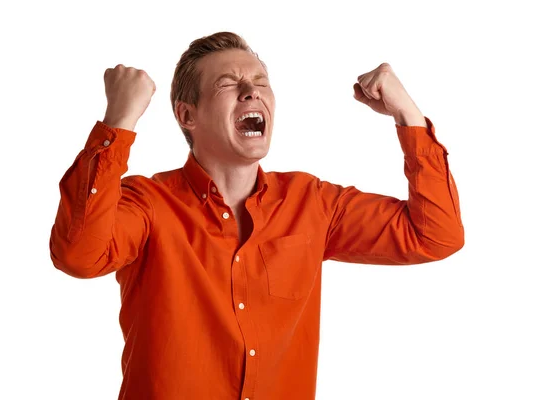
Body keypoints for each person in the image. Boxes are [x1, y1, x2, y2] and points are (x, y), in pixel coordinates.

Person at [49, 31, 464, 400]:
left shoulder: (313, 203)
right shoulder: (148, 203)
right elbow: (79, 255)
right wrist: (119, 122)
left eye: (260, 83)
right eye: (229, 84)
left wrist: (407, 114)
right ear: (186, 115)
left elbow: (435, 235)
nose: (252, 92)